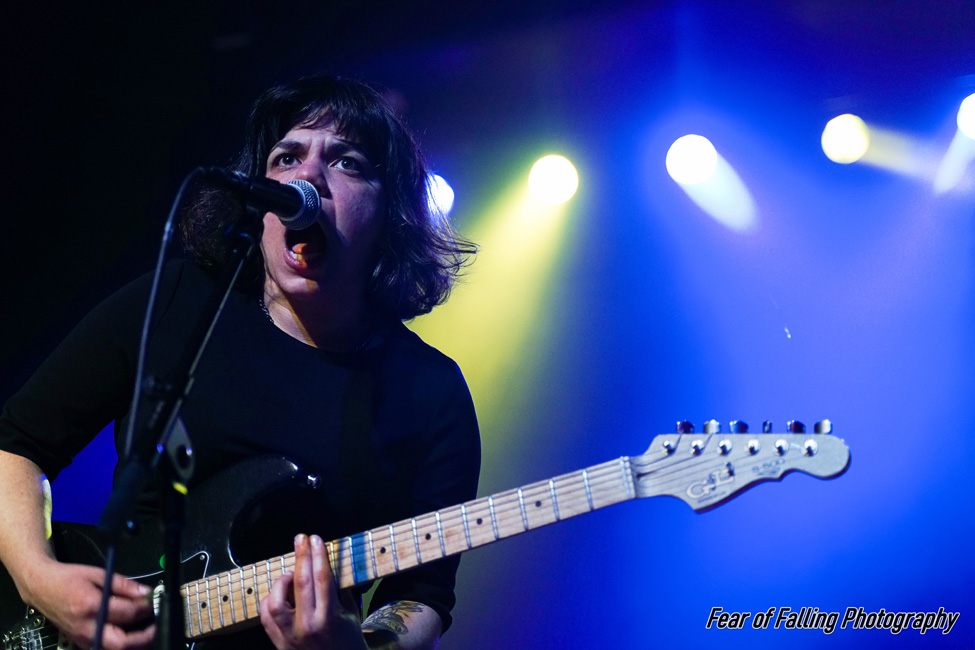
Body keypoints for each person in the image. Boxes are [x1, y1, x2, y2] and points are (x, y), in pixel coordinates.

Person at [0, 75, 481, 650]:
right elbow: (19, 445)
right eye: (287, 157)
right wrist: (38, 578)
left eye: (347, 162)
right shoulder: (182, 301)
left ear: (390, 211)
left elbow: (421, 595)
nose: (307, 178)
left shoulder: (431, 393)